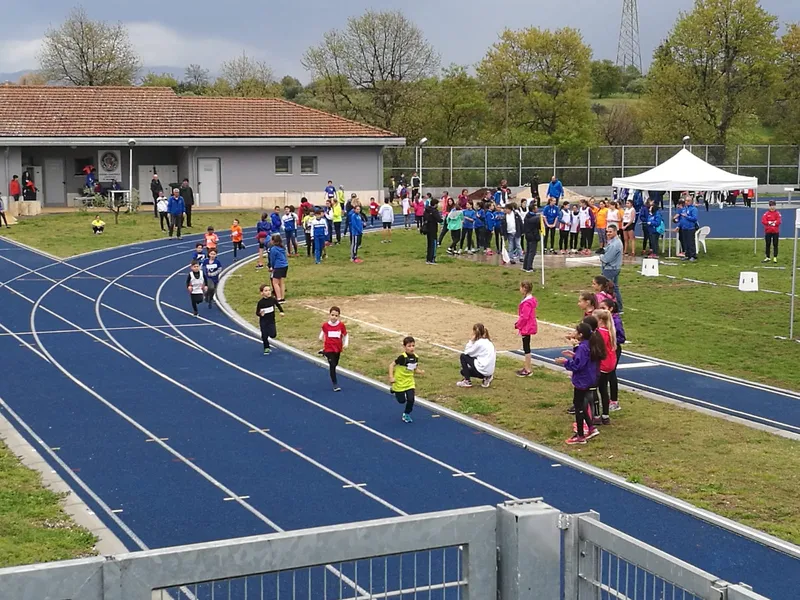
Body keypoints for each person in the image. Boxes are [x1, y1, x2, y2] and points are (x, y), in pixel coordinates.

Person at [555, 322, 603, 445]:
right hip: (589, 378)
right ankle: (591, 428)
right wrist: (574, 353)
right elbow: (584, 360)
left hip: (582, 380)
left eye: (576, 331)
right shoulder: (588, 345)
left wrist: (565, 362)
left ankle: (580, 435)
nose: (574, 333)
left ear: (581, 334)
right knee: (580, 406)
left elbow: (578, 365)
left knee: (579, 406)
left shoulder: (583, 347)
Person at [389, 336, 423, 423]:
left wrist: (420, 372)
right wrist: (391, 377)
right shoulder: (402, 358)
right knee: (401, 401)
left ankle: (406, 414)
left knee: (411, 399)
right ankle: (394, 389)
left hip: (409, 382)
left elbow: (414, 369)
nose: (411, 348)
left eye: (413, 345)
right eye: (409, 346)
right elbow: (391, 365)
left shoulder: (416, 357)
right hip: (399, 382)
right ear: (404, 347)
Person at [594, 309, 618, 425]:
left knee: (594, 389)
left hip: (602, 364)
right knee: (604, 389)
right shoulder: (610, 331)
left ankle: (597, 415)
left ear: (600, 320)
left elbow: (595, 349)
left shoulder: (600, 333)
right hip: (610, 364)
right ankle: (605, 415)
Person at [600, 298, 624, 412]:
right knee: (604, 376)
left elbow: (622, 338)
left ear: (611, 309)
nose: (601, 310)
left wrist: (611, 339)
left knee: (611, 374)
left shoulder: (616, 321)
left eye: (603, 308)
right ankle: (605, 401)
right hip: (606, 349)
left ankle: (614, 401)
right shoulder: (602, 320)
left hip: (613, 349)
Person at [457, 324, 496, 388]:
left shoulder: (478, 343)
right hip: (489, 370)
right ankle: (487, 377)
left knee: (463, 356)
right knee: (463, 371)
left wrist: (471, 341)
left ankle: (467, 381)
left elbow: (466, 352)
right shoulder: (489, 342)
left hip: (482, 370)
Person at [320, 306, 348, 392]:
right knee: (332, 366)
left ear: (338, 316)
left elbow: (345, 334)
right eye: (332, 315)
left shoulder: (341, 325)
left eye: (336, 316)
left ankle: (324, 353)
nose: (334, 317)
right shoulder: (325, 325)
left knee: (335, 363)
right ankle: (335, 384)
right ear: (329, 315)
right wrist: (320, 337)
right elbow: (323, 332)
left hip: (337, 348)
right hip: (329, 348)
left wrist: (345, 343)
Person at [515, 282, 538, 377]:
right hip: (528, 325)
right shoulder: (530, 300)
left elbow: (524, 316)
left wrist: (518, 325)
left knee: (526, 347)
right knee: (526, 346)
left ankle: (528, 369)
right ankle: (527, 367)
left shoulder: (527, 303)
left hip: (526, 327)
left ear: (524, 288)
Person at [599, 225, 623, 312]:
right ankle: (619, 308)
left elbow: (606, 259)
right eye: (607, 232)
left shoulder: (615, 244)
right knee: (615, 289)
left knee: (606, 289)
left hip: (610, 269)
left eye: (610, 232)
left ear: (615, 232)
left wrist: (601, 256)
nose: (608, 233)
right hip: (614, 267)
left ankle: (609, 307)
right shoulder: (613, 242)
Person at [256, 283, 284, 354]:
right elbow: (257, 312)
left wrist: (281, 311)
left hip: (271, 321)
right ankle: (266, 347)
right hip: (263, 321)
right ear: (262, 293)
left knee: (273, 334)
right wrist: (260, 314)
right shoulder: (260, 303)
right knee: (264, 335)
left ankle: (268, 333)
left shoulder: (273, 299)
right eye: (266, 290)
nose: (268, 292)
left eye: (269, 290)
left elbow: (278, 305)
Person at [268, 234, 289, 302]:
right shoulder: (283, 247)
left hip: (278, 266)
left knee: (275, 283)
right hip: (285, 265)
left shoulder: (273, 249)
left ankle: (279, 298)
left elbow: (272, 259)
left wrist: (272, 267)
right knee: (282, 282)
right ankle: (282, 298)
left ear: (274, 241)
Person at [522, 204, 541, 273]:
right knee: (532, 253)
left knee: (528, 252)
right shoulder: (535, 218)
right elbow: (539, 226)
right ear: (533, 209)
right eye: (536, 208)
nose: (537, 209)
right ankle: (529, 267)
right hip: (533, 236)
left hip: (528, 236)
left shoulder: (527, 216)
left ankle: (525, 266)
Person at [678, 196, 699, 261]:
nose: (686, 202)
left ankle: (693, 255)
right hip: (684, 228)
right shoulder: (684, 209)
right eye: (686, 201)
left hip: (690, 228)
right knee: (685, 242)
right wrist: (679, 225)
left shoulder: (694, 209)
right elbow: (681, 218)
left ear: (691, 201)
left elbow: (694, 218)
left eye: (688, 201)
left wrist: (687, 216)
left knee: (691, 242)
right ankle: (687, 255)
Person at [423, 198, 443, 265]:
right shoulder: (434, 211)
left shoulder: (426, 210)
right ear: (435, 204)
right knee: (433, 244)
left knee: (429, 244)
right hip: (433, 229)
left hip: (427, 229)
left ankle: (428, 259)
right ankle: (432, 259)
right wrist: (442, 219)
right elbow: (439, 219)